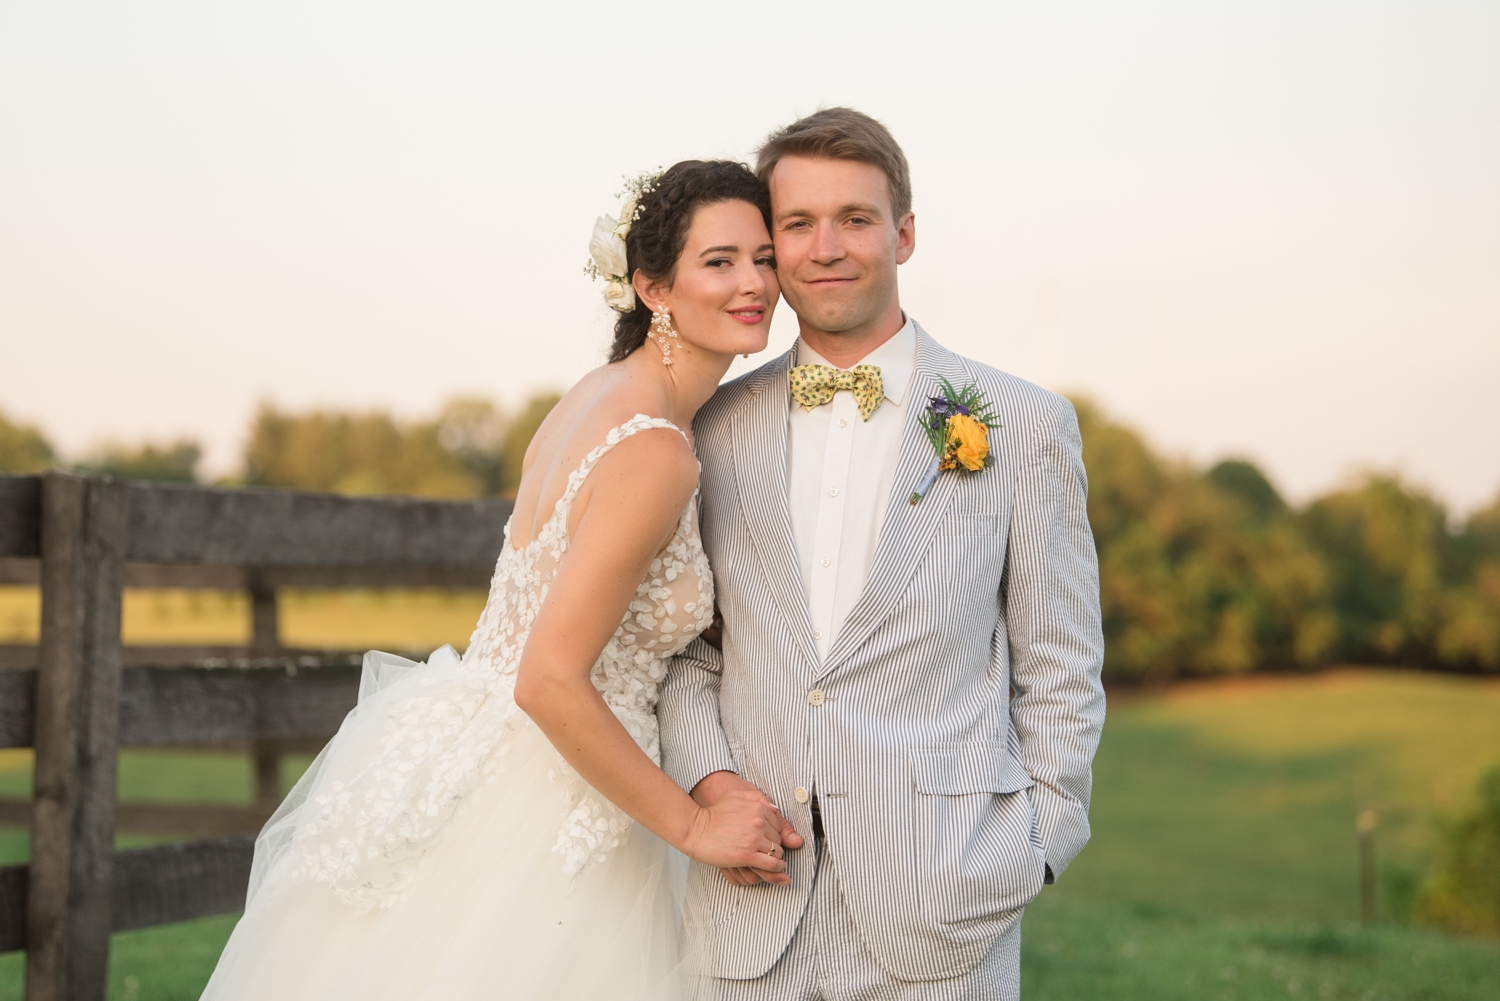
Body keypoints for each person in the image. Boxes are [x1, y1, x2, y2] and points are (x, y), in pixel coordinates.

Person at [200, 159, 799, 1000]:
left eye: (764, 257)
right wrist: (694, 823)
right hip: (552, 791)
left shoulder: (594, 398)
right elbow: (550, 678)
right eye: (720, 261)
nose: (755, 283)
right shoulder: (655, 449)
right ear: (651, 286)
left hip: (473, 750)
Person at [658, 108, 1107, 1001]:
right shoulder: (710, 430)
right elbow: (684, 651)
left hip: (943, 913)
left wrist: (1033, 848)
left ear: (903, 233)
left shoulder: (1023, 427)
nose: (827, 247)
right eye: (798, 223)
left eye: (855, 219)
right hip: (748, 917)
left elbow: (1062, 666)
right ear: (772, 246)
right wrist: (711, 785)